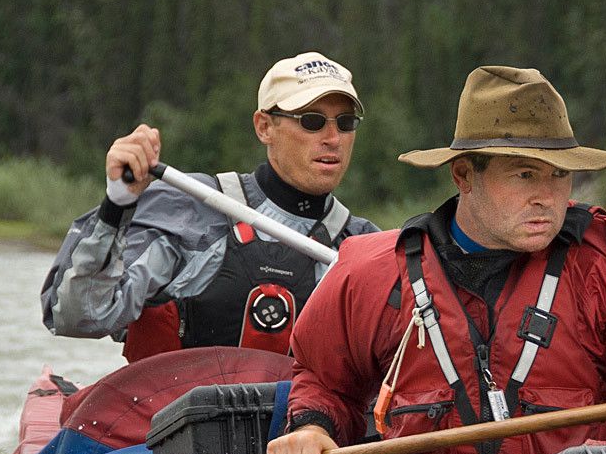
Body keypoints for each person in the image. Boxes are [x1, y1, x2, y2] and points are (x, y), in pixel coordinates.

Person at [265, 65, 606, 454]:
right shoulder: (370, 272)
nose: (547, 197)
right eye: (524, 175)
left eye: (559, 174)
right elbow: (323, 381)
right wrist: (311, 428)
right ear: (464, 175)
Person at [41, 52, 382, 361]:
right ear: (264, 127)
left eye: (346, 122)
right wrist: (117, 205)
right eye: (312, 121)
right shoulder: (188, 211)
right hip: (173, 424)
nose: (333, 138)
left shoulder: (365, 246)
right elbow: (78, 316)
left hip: (308, 427)